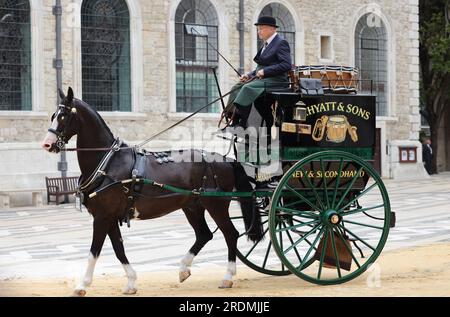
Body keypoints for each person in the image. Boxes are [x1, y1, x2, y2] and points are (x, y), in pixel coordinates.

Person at [225, 16, 292, 129]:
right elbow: (259, 68)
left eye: (261, 28)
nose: (258, 31)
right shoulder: (266, 44)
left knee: (247, 88)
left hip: (277, 81)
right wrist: (249, 75)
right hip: (265, 79)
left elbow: (286, 65)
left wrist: (265, 72)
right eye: (258, 29)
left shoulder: (281, 43)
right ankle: (233, 117)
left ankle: (241, 123)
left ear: (271, 29)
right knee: (237, 87)